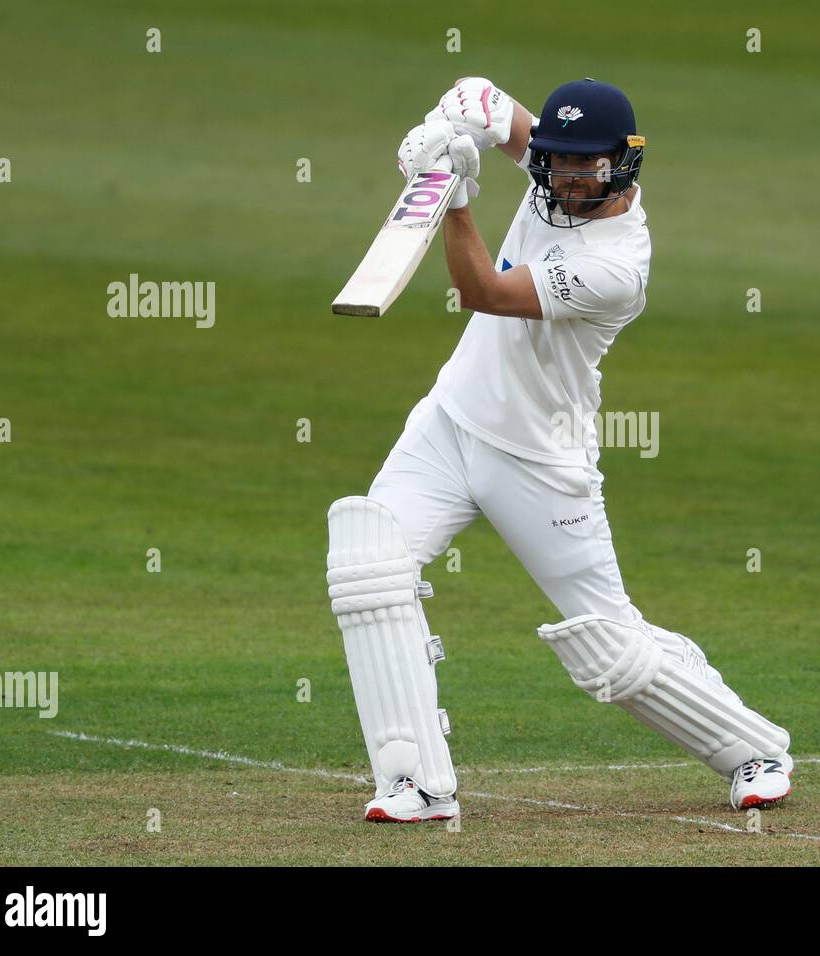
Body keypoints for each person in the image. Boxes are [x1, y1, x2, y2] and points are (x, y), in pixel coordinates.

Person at [324, 77, 793, 823]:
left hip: (543, 460)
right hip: (448, 423)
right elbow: (490, 103)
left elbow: (484, 289)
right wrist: (452, 128)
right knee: (367, 568)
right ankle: (415, 781)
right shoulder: (554, 166)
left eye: (587, 164)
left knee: (608, 646)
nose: (568, 177)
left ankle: (752, 748)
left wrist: (455, 195)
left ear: (623, 162)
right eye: (556, 161)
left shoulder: (617, 265)